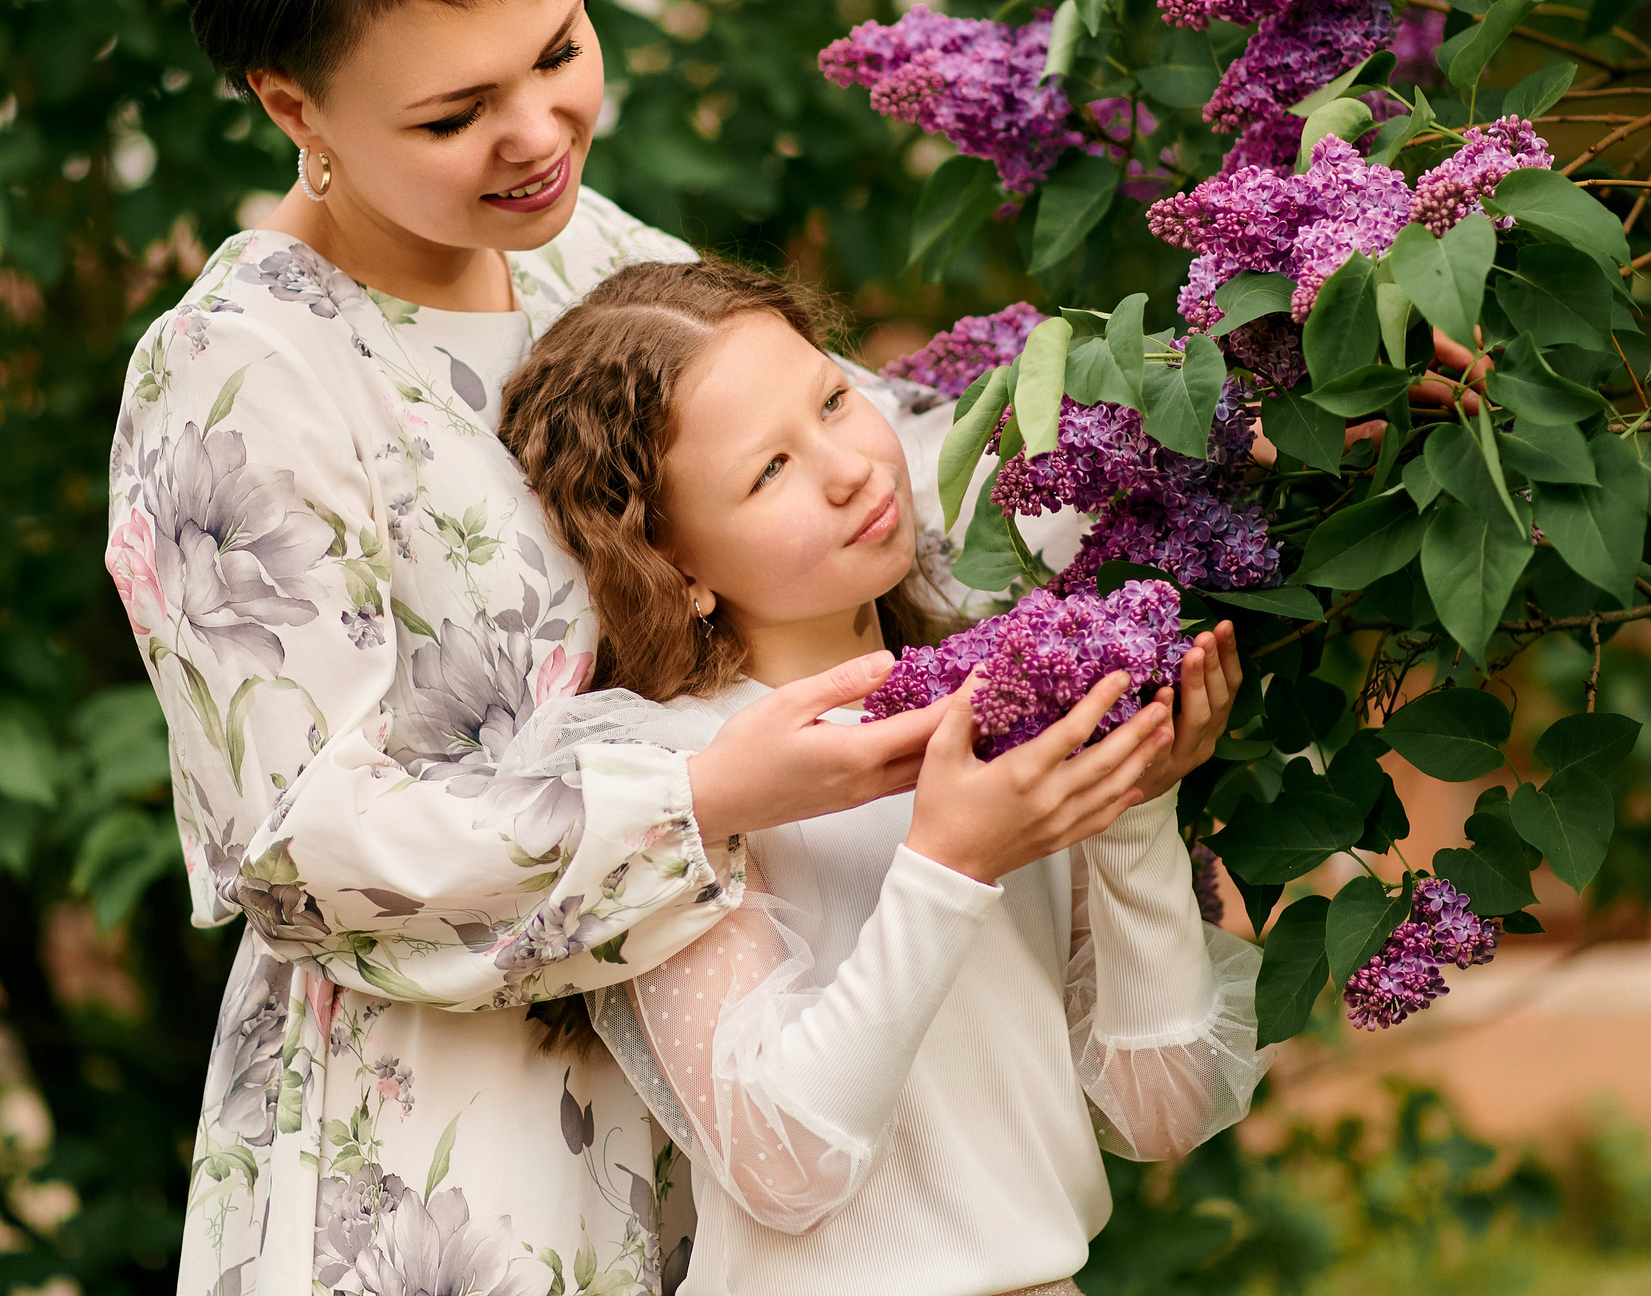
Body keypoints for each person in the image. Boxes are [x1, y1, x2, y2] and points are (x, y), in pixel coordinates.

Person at [112, 0, 1002, 1296]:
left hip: (730, 1118)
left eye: (561, 49)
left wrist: (1239, 411)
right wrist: (708, 797)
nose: (536, 132)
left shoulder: (591, 257)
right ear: (290, 104)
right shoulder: (239, 378)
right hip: (445, 1175)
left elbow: (894, 463)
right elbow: (306, 850)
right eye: (456, 114)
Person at [497, 261, 1267, 1296]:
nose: (852, 469)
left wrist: (1131, 802)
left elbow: (1160, 1109)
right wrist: (947, 863)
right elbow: (782, 1164)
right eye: (768, 471)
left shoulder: (1002, 697)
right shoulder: (680, 776)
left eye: (832, 400)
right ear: (673, 564)